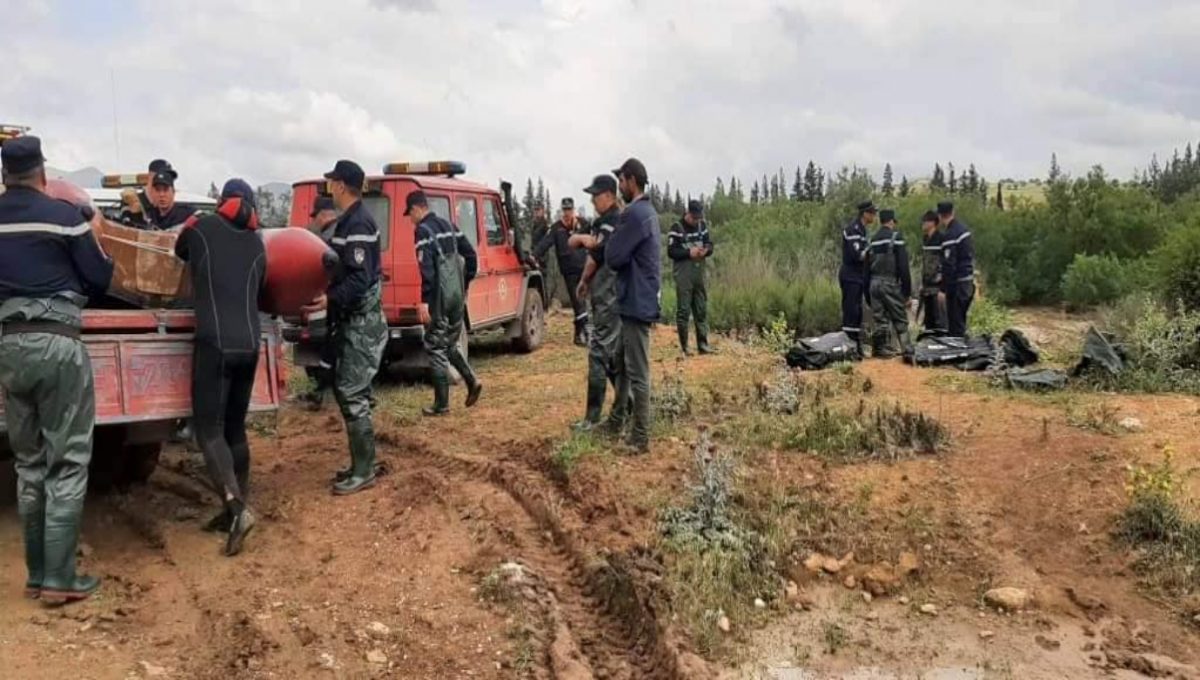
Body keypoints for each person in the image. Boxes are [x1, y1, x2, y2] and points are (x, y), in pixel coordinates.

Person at [0, 136, 114, 605]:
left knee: (28, 464)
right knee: (67, 460)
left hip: (8, 345)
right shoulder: (65, 218)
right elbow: (100, 278)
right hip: (58, 342)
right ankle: (60, 580)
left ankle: (36, 575)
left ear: (5, 174)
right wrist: (96, 231)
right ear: (42, 174)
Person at [174, 179, 266, 556]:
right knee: (234, 428)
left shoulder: (203, 226)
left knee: (208, 430)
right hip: (250, 343)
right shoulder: (259, 244)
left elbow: (180, 249)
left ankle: (235, 508)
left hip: (215, 343)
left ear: (222, 200)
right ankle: (235, 509)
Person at [303, 160, 388, 496]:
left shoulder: (358, 223)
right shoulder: (349, 222)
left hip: (361, 324)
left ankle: (364, 470)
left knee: (353, 394)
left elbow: (359, 278)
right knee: (349, 391)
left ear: (341, 185)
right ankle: (360, 463)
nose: (329, 188)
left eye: (331, 183)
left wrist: (328, 300)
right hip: (351, 320)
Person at [407, 190, 484, 416]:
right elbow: (470, 256)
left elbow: (427, 271)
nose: (410, 219)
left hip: (438, 298)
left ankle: (441, 404)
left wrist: (424, 302)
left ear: (417, 209)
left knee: (434, 346)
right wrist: (465, 284)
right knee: (449, 343)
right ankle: (472, 380)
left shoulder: (422, 231)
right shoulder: (450, 226)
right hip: (457, 295)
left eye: (409, 214)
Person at [606, 158, 661, 454]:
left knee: (638, 372)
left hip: (636, 302)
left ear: (631, 181)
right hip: (638, 299)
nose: (619, 187)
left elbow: (614, 257)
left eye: (621, 181)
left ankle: (640, 438)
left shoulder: (635, 214)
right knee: (619, 363)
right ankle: (617, 420)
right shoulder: (648, 212)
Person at [570, 174, 627, 430]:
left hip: (610, 298)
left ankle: (592, 419)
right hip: (602, 296)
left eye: (596, 195)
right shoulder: (602, 220)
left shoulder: (615, 220)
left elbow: (600, 251)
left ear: (609, 195)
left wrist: (582, 239)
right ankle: (631, 405)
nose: (592, 200)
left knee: (598, 354)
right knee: (612, 357)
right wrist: (584, 282)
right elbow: (594, 256)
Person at [532, 197, 590, 346]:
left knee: (582, 300)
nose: (567, 213)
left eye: (569, 209)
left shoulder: (583, 224)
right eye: (564, 210)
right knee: (577, 300)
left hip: (584, 268)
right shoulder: (556, 228)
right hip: (568, 270)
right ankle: (584, 332)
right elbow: (545, 243)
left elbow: (594, 238)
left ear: (573, 209)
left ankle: (579, 334)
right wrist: (534, 256)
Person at [301, 196, 339, 410]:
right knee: (330, 347)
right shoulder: (338, 231)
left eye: (316, 216)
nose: (314, 221)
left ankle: (326, 393)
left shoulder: (327, 237)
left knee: (332, 347)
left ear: (324, 214)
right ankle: (323, 391)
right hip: (334, 302)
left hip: (332, 301)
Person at [667, 199, 715, 356]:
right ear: (687, 213)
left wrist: (706, 251)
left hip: (699, 275)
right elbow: (671, 252)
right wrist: (689, 253)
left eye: (698, 218)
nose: (696, 221)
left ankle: (703, 344)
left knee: (701, 309)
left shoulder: (702, 226)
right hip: (683, 276)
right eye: (694, 218)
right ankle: (685, 347)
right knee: (684, 311)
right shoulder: (676, 228)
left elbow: (710, 244)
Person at [866, 209, 913, 358]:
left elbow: (866, 267)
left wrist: (867, 291)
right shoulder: (896, 237)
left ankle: (879, 349)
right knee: (900, 317)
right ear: (892, 221)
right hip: (889, 283)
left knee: (880, 318)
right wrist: (907, 292)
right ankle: (907, 349)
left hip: (873, 283)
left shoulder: (873, 240)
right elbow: (903, 267)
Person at [840, 200, 876, 355]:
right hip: (850, 275)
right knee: (851, 311)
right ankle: (849, 345)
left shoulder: (862, 230)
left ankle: (856, 345)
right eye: (872, 213)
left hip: (858, 275)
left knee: (858, 311)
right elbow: (857, 255)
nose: (874, 216)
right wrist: (871, 251)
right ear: (865, 213)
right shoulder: (853, 230)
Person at [120, 159, 196, 230]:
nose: (162, 194)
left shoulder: (178, 209)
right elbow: (125, 230)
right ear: (151, 176)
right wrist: (135, 213)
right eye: (161, 174)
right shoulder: (132, 199)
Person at [937, 201, 975, 337]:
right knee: (961, 321)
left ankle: (957, 353)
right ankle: (962, 349)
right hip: (968, 281)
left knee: (955, 324)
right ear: (953, 212)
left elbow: (949, 265)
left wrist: (943, 289)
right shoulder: (964, 230)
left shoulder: (951, 235)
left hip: (958, 285)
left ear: (940, 216)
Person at [918, 210, 946, 334]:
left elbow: (945, 263)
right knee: (928, 321)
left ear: (933, 223)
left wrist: (943, 286)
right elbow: (925, 263)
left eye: (925, 221)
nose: (923, 224)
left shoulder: (941, 239)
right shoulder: (925, 239)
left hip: (937, 287)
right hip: (926, 287)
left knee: (939, 320)